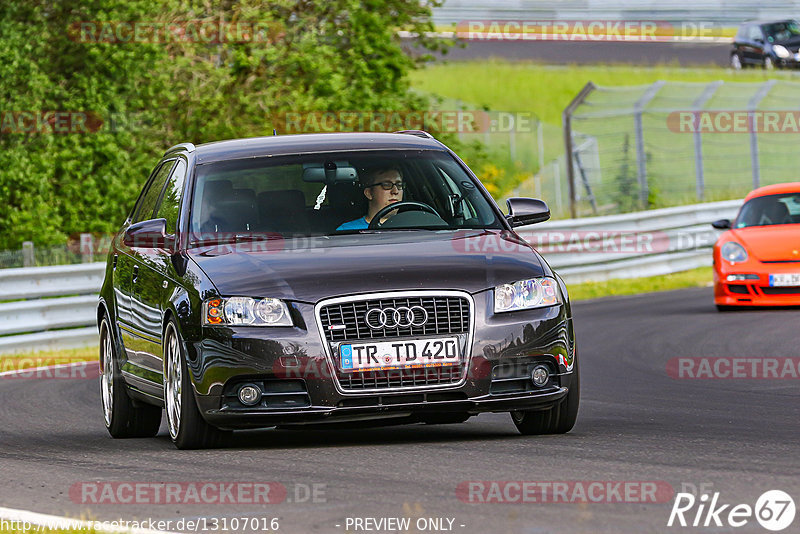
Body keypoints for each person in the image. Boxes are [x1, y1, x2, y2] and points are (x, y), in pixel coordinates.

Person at [336, 168, 404, 230]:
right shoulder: (347, 230)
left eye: (399, 185)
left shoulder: (412, 225)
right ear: (369, 193)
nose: (395, 191)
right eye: (386, 185)